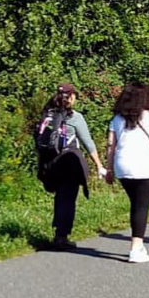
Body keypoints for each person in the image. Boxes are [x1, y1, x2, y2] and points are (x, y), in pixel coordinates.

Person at [104, 83, 149, 264]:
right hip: (145, 166)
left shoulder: (116, 119)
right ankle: (136, 248)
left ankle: (138, 246)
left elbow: (110, 146)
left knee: (136, 204)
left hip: (123, 166)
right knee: (141, 207)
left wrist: (109, 169)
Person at [35, 82, 105, 250]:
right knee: (67, 198)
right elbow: (88, 142)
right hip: (68, 163)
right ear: (72, 96)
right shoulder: (74, 117)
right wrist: (99, 165)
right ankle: (61, 236)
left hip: (51, 162)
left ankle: (59, 233)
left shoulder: (48, 114)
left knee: (60, 197)